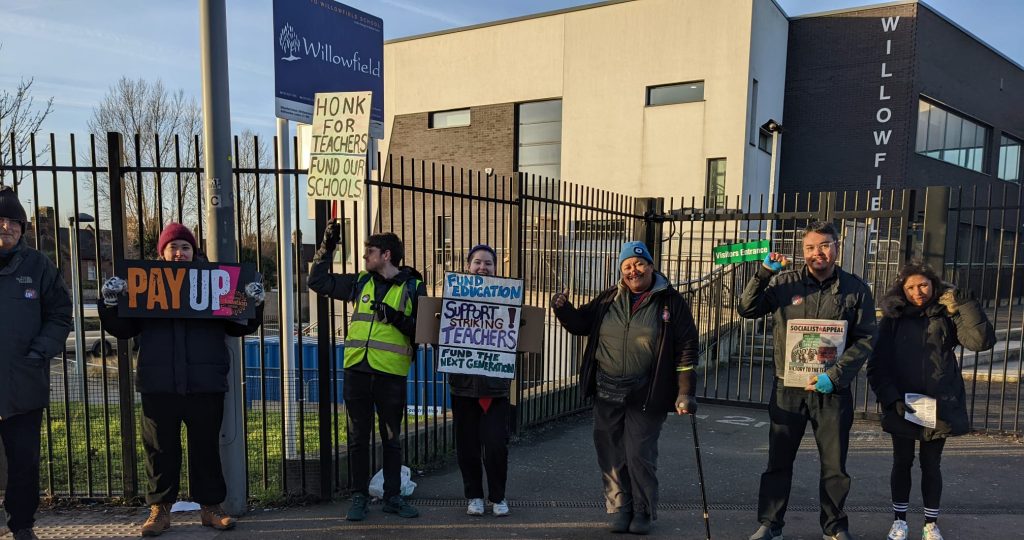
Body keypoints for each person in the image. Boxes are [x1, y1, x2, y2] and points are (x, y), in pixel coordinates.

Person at [98, 222, 265, 537]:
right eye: (173, 247)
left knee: (205, 448)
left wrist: (255, 304)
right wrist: (108, 302)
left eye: (185, 247)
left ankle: (211, 509)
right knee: (160, 450)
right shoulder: (144, 284)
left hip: (205, 383)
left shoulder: (217, 284)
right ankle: (160, 511)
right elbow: (123, 329)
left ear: (194, 251)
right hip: (158, 383)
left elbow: (239, 327)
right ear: (162, 252)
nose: (179, 252)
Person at [738, 221, 877, 540]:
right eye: (811, 247)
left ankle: (834, 527)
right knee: (778, 461)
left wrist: (836, 376)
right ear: (803, 251)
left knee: (834, 466)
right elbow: (747, 309)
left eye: (825, 245)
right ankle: (771, 524)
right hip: (789, 389)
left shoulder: (856, 289)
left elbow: (867, 337)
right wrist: (762, 274)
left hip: (832, 392)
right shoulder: (784, 283)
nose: (818, 253)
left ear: (837, 247)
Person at [551, 240, 699, 536]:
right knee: (610, 451)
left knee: (638, 453)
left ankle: (643, 510)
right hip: (607, 388)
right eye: (627, 266)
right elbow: (582, 324)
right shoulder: (608, 298)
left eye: (639, 263)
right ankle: (620, 508)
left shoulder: (670, 301)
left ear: (651, 266)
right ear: (621, 271)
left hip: (648, 390)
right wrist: (563, 308)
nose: (634, 271)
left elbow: (686, 347)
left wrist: (685, 392)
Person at [867, 263, 994, 540]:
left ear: (934, 285)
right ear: (902, 290)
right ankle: (899, 521)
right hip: (904, 402)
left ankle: (930, 523)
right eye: (910, 287)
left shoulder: (947, 315)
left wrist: (964, 304)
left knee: (931, 464)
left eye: (923, 285)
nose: (918, 292)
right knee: (901, 462)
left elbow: (980, 341)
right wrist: (891, 400)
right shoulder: (893, 318)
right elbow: (877, 365)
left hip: (937, 403)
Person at [307, 223, 426, 521]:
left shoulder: (413, 287)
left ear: (386, 255)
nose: (364, 258)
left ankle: (392, 496)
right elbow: (318, 282)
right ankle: (359, 496)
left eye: (369, 252)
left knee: (391, 439)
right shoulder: (361, 281)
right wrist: (327, 247)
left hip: (390, 374)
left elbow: (424, 333)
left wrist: (396, 318)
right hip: (357, 370)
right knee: (358, 438)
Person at [0, 186, 73, 540]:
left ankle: (22, 524)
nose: (6, 228)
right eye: (0, 221)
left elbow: (60, 313)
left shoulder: (39, 265)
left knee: (24, 462)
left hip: (24, 383)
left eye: (13, 221)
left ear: (22, 227)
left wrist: (39, 352)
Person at [449, 244, 512, 517]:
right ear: (468, 266)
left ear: (496, 269)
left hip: (495, 388)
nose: (482, 267)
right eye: (477, 262)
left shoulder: (507, 300)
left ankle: (498, 497)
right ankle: (474, 495)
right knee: (468, 447)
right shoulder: (453, 300)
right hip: (463, 386)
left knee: (497, 445)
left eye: (488, 263)